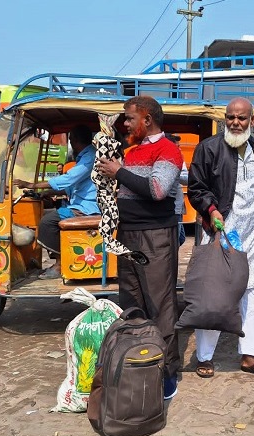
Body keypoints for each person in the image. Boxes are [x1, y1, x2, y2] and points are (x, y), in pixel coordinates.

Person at [188, 97, 254, 381]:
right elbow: (197, 187)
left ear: (252, 122)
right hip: (221, 233)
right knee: (214, 297)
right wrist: (211, 209)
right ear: (224, 120)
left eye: (242, 118)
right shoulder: (209, 148)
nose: (235, 123)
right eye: (230, 117)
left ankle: (251, 357)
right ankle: (204, 358)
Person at [94, 96, 183, 400]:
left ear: (147, 119)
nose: (126, 124)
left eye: (130, 118)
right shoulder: (131, 152)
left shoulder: (168, 150)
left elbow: (157, 190)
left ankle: (167, 375)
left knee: (160, 305)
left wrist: (118, 172)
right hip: (128, 236)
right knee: (131, 303)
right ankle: (138, 365)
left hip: (156, 236)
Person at [13, 125, 99, 279]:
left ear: (74, 140)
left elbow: (68, 179)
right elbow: (71, 187)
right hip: (80, 205)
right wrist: (44, 192)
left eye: (71, 139)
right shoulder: (84, 157)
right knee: (50, 219)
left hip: (87, 208)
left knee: (47, 223)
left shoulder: (89, 157)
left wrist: (32, 185)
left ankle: (60, 264)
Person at [167, 133, 188, 247]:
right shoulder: (167, 160)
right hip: (172, 208)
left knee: (181, 239)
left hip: (178, 207)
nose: (179, 148)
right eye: (177, 146)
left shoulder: (179, 158)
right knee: (174, 242)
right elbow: (184, 178)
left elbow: (185, 177)